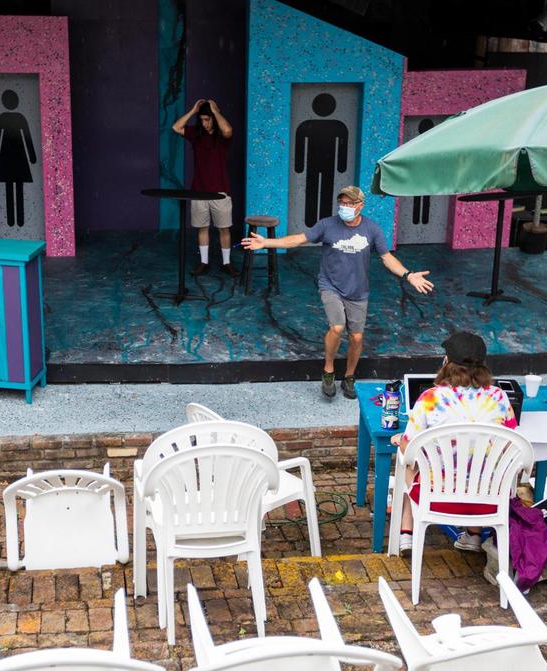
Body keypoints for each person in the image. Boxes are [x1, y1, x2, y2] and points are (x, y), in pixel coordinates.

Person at [241, 186, 434, 399]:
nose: (345, 207)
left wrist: (408, 275)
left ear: (361, 205)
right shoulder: (327, 225)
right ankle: (329, 369)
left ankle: (349, 376)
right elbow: (299, 239)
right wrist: (267, 242)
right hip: (330, 286)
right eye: (342, 203)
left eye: (350, 204)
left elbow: (387, 258)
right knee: (337, 326)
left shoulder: (372, 229)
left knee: (357, 336)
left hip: (358, 290)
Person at [392, 331, 518, 554]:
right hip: (488, 497)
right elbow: (511, 443)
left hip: (437, 496)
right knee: (478, 463)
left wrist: (400, 441)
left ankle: (406, 534)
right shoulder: (499, 397)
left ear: (447, 363)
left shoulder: (431, 398)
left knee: (408, 462)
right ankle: (473, 535)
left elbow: (408, 448)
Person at [172, 98, 235, 276]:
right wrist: (193, 111)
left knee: (224, 229)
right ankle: (204, 262)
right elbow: (176, 128)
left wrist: (216, 112)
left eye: (207, 119)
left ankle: (227, 263)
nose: (204, 123)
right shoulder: (196, 134)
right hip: (199, 190)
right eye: (202, 120)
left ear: (214, 118)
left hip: (220, 191)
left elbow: (228, 130)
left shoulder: (222, 137)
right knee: (202, 228)